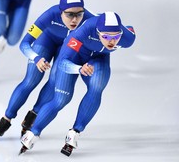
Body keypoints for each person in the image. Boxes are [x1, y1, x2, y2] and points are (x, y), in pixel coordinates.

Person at [19, 11, 136, 155]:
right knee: (61, 99)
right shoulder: (82, 32)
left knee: (97, 86)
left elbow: (130, 30)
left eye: (116, 37)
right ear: (98, 32)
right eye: (105, 37)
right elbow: (62, 63)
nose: (111, 42)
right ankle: (33, 133)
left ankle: (75, 131)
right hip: (73, 57)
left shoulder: (127, 39)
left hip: (98, 59)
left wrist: (127, 30)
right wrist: (79, 68)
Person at [0, 0, 98, 140]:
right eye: (69, 15)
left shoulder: (90, 20)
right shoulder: (49, 15)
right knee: (31, 79)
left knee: (55, 80)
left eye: (79, 14)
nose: (75, 20)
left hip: (67, 47)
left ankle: (34, 115)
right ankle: (6, 119)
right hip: (45, 41)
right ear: (60, 12)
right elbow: (24, 43)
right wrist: (36, 58)